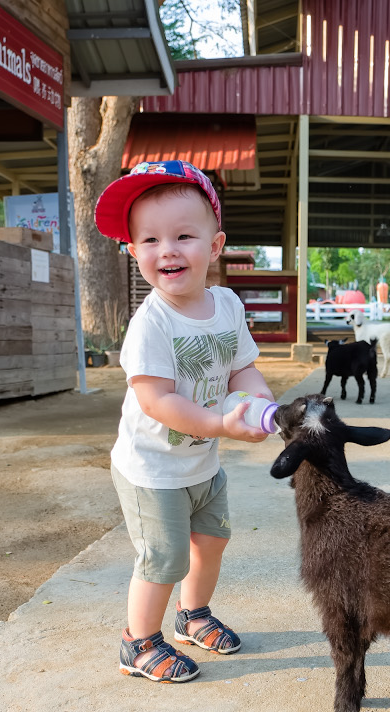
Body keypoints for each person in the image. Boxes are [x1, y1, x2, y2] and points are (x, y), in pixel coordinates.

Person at [94, 160, 274, 683]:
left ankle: (192, 616)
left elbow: (242, 367)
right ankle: (138, 642)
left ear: (215, 246)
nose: (166, 249)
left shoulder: (226, 305)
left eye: (183, 235)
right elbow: (157, 401)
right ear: (134, 253)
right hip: (152, 471)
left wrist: (261, 404)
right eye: (149, 240)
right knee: (164, 559)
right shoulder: (151, 322)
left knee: (211, 542)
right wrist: (221, 425)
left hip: (200, 465)